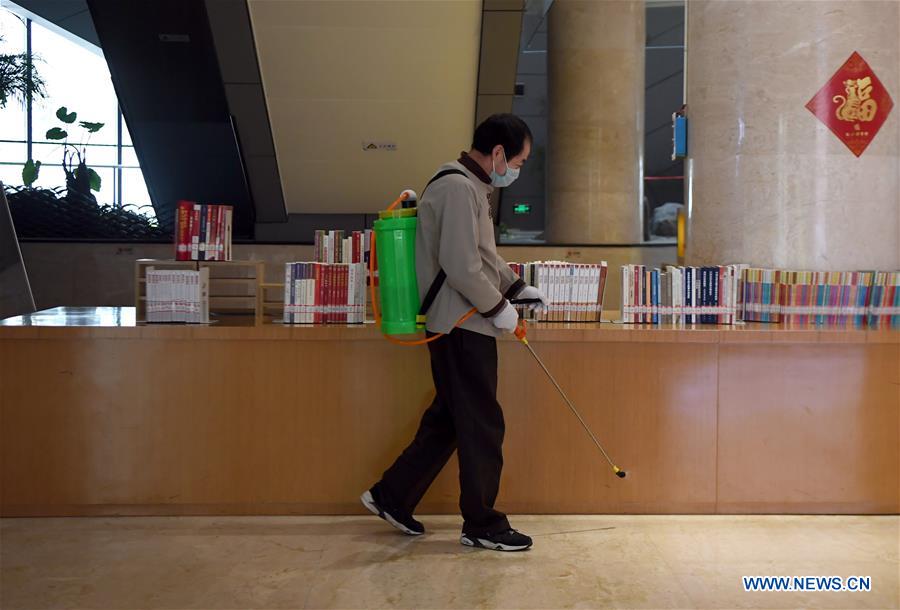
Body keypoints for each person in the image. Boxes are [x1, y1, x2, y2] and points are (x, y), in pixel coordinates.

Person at [361, 114, 548, 552]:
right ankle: (482, 523)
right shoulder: (458, 187)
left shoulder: (469, 185)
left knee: (452, 417)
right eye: (518, 160)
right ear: (498, 152)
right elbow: (461, 265)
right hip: (464, 324)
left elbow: (483, 256)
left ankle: (392, 495)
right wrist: (500, 309)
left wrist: (516, 286)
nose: (516, 170)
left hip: (464, 321)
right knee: (483, 422)